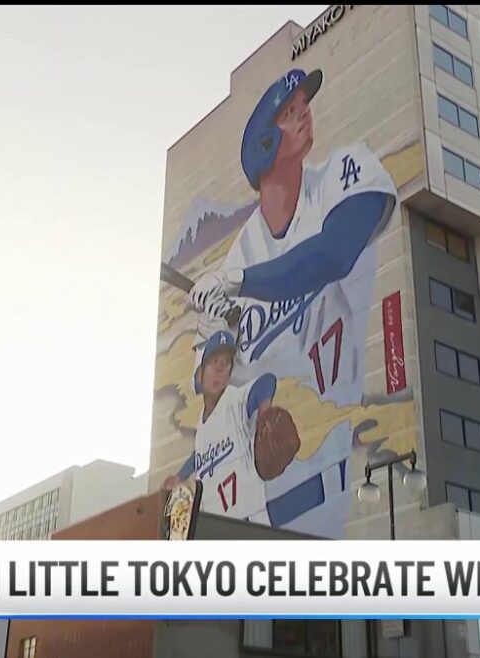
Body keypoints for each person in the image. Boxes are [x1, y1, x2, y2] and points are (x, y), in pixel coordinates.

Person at [185, 67, 398, 537]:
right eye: (289, 111)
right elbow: (216, 391)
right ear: (263, 145)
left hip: (326, 479)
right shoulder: (240, 253)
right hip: (251, 503)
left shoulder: (345, 172)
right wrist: (213, 333)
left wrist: (239, 282)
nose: (305, 114)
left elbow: (333, 254)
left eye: (304, 105)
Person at [163, 329, 278, 525]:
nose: (219, 368)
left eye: (225, 363)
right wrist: (179, 476)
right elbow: (199, 455)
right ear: (200, 375)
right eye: (214, 362)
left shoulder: (235, 401)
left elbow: (266, 382)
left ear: (229, 373)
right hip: (220, 529)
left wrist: (264, 412)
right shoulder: (202, 426)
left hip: (251, 521)